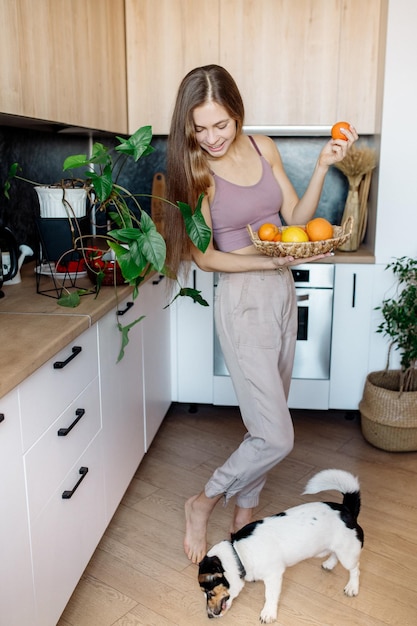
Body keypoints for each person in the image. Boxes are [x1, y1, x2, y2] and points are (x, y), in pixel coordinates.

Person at [165, 64, 358, 565]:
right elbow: (204, 256)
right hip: (242, 299)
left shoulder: (263, 147)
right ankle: (202, 501)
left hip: (281, 294)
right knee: (276, 432)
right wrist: (267, 258)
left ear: (237, 113)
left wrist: (321, 165)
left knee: (264, 423)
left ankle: (244, 513)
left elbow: (294, 219)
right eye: (199, 128)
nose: (210, 137)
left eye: (220, 124)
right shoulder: (195, 170)